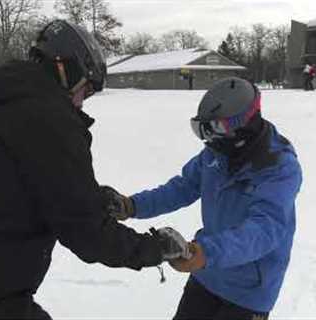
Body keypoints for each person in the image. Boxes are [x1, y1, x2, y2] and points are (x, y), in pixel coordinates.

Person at [0, 20, 191, 319]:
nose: (83, 103)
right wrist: (153, 248)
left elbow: (33, 182)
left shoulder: (4, 100)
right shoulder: (48, 119)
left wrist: (93, 198)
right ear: (67, 71)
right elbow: (85, 232)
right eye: (86, 90)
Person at [105, 77, 302, 320]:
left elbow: (264, 231)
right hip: (207, 273)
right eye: (202, 130)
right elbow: (182, 187)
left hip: (248, 290)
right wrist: (133, 205)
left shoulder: (279, 168)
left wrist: (205, 252)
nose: (208, 140)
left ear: (245, 126)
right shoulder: (218, 152)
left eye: (214, 129)